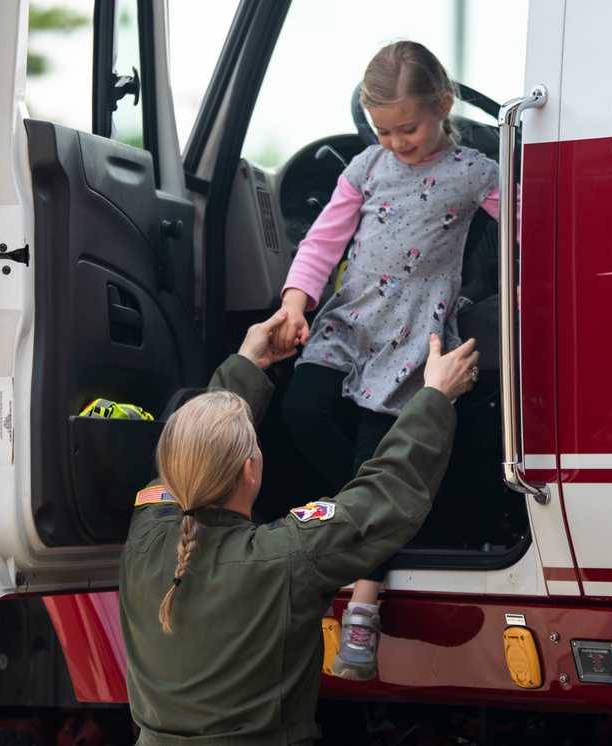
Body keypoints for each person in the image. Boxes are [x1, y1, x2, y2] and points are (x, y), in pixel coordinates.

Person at [119, 309, 479, 746]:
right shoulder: (284, 558)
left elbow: (190, 456)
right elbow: (388, 492)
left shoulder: (146, 532)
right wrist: (435, 395)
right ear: (249, 472)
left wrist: (247, 363)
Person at [272, 40, 500, 680]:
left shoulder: (474, 172)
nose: (398, 141)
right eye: (384, 130)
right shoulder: (365, 168)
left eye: (410, 128)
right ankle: (377, 511)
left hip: (409, 339)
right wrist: (295, 304)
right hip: (348, 322)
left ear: (443, 107)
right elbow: (322, 243)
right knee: (302, 409)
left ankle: (363, 613)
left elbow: (530, 221)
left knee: (380, 459)